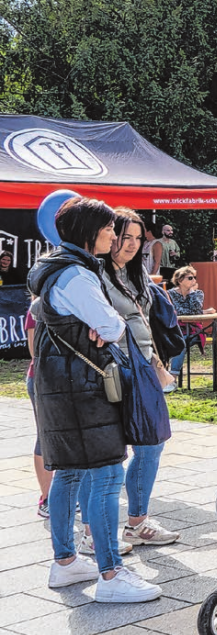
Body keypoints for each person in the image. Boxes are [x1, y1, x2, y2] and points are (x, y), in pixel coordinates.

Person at [28, 196, 161, 602]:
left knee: (68, 474)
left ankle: (65, 562)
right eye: (107, 229)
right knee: (105, 477)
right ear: (89, 233)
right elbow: (110, 323)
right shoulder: (77, 275)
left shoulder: (53, 269)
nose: (113, 235)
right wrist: (108, 323)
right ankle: (110, 574)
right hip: (83, 390)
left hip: (61, 385)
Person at [99, 208, 179, 547]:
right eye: (123, 237)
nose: (130, 245)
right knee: (116, 453)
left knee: (151, 445)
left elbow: (143, 326)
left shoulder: (137, 275)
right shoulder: (96, 275)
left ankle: (137, 522)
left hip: (144, 368)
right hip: (115, 368)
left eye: (136, 238)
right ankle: (96, 532)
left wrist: (157, 363)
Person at [166, 265, 216, 386]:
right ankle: (164, 378)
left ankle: (172, 378)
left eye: (194, 278)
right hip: (173, 329)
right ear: (179, 280)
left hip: (194, 330)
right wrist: (205, 311)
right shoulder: (170, 294)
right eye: (190, 278)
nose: (193, 280)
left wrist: (191, 293)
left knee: (182, 342)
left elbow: (195, 310)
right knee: (176, 341)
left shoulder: (198, 294)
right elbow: (177, 311)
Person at [25, 310, 52, 517]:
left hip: (69, 379)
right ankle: (46, 497)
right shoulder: (36, 308)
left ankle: (65, 494)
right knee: (45, 437)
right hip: (42, 378)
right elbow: (35, 352)